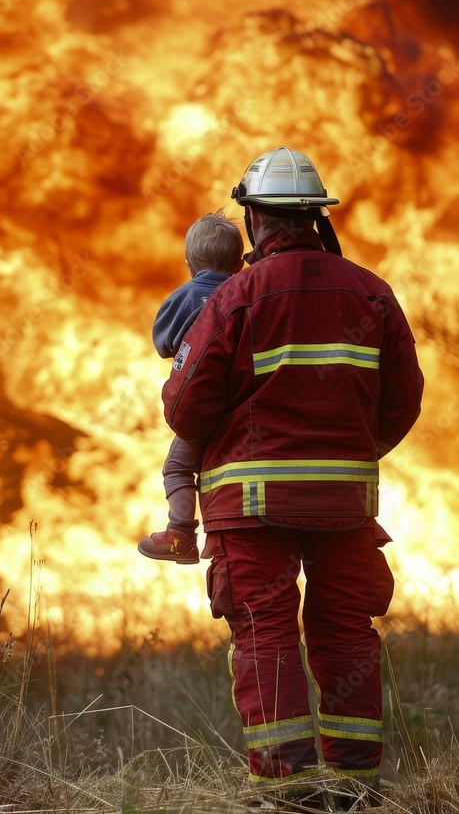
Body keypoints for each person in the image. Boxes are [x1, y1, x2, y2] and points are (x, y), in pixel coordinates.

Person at [161, 148, 424, 812]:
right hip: (345, 504)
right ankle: (356, 788)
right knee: (345, 631)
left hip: (250, 507)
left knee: (266, 633)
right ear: (315, 216)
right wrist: (350, 453)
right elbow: (403, 401)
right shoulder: (372, 293)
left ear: (253, 219)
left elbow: (186, 406)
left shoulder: (236, 297)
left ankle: (290, 792)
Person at [138, 211, 244, 565]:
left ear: (189, 263)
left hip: (201, 409)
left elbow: (164, 343)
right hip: (244, 405)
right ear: (238, 263)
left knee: (178, 468)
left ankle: (181, 534)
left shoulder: (185, 296)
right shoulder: (247, 292)